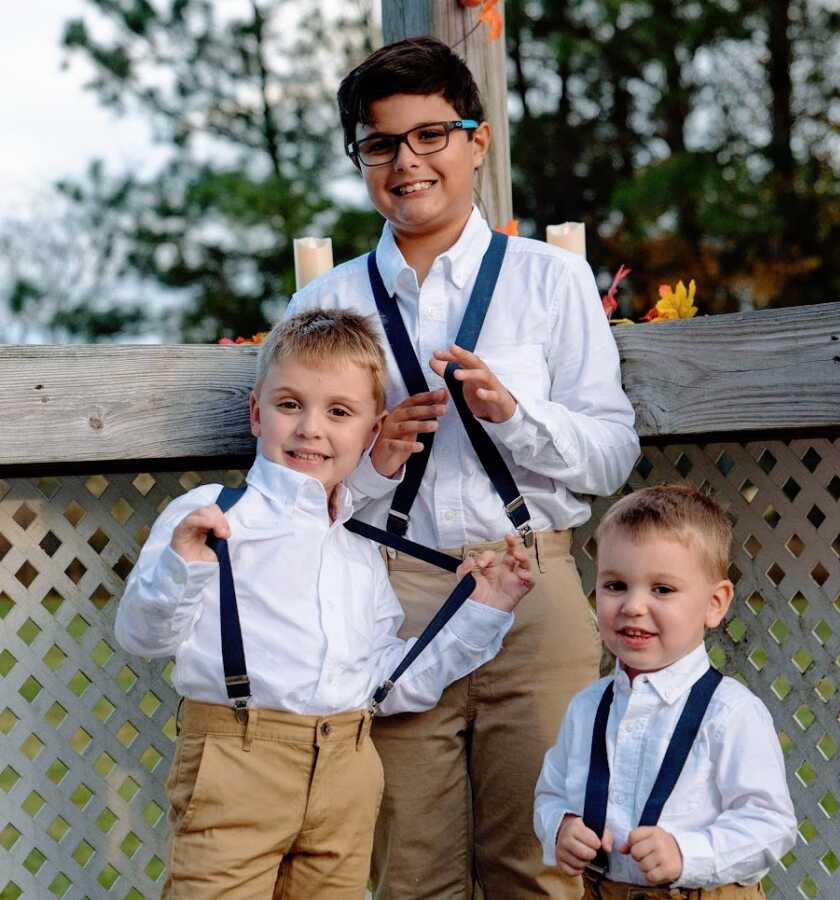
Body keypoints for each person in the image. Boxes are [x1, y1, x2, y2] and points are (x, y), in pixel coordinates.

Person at [286, 36, 640, 900]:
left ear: (477, 142)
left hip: (532, 582)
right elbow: (292, 485)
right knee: (405, 860)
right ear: (362, 157)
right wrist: (370, 465)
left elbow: (612, 453)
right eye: (381, 143)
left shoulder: (551, 282)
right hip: (389, 593)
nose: (407, 161)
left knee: (545, 860)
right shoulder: (322, 306)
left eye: (431, 135)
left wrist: (516, 419)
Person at [114, 309, 534, 900]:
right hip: (239, 761)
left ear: (372, 431)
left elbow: (390, 683)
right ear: (258, 413)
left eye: (339, 412)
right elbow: (143, 637)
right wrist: (183, 565)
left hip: (348, 769)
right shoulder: (212, 515)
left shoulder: (357, 545)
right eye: (290, 405)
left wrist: (481, 610)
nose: (311, 429)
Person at [534, 484, 797, 899]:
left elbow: (770, 825)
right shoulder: (587, 707)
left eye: (662, 590)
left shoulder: (730, 713)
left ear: (715, 603)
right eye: (615, 585)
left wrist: (687, 853)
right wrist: (561, 826)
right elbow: (551, 792)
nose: (634, 606)